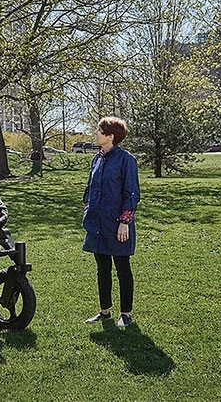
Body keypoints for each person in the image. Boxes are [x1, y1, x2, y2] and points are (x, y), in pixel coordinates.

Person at [82, 116, 140, 329]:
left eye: (99, 130)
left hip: (117, 225)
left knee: (122, 268)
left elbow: (131, 193)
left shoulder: (126, 160)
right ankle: (105, 311)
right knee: (102, 268)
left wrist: (125, 222)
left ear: (110, 136)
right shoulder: (97, 159)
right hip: (97, 224)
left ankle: (125, 314)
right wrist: (87, 206)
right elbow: (89, 187)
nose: (96, 133)